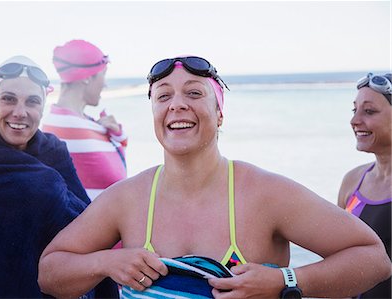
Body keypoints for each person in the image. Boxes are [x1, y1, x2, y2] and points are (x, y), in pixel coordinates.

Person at [38, 56, 391, 299]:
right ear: (155, 113)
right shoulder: (127, 198)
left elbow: (373, 258)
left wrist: (285, 281)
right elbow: (51, 271)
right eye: (163, 96)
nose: (177, 104)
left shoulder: (264, 194)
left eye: (194, 93)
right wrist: (106, 261)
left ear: (219, 114)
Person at [0, 55, 117, 298]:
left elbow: (88, 226)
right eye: (8, 99)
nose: (20, 112)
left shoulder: (53, 152)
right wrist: (52, 188)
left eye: (32, 102)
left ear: (42, 108)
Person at [42, 39, 127, 202]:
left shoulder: (76, 121)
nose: (106, 84)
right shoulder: (67, 126)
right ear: (87, 77)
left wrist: (117, 134)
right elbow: (118, 179)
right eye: (103, 74)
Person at [338, 73, 391, 298]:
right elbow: (338, 262)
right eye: (355, 110)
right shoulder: (352, 181)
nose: (355, 120)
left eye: (369, 111)